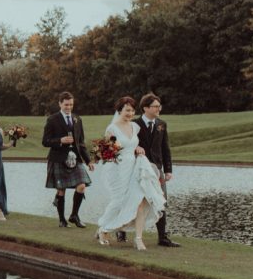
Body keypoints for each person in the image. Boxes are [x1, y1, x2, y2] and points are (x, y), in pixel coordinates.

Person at [94, 97, 167, 250]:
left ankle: (138, 239)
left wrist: (137, 148)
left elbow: (134, 143)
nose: (130, 113)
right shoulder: (112, 128)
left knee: (140, 200)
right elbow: (105, 153)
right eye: (127, 110)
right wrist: (114, 151)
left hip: (134, 168)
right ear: (119, 110)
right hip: (118, 170)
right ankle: (103, 229)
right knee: (119, 201)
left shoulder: (135, 127)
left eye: (132, 110)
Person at [42, 92, 93, 228]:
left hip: (75, 159)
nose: (69, 107)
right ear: (60, 104)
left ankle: (74, 215)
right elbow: (45, 141)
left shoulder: (77, 119)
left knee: (82, 185)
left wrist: (88, 161)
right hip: (58, 158)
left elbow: (81, 143)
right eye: (66, 104)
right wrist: (60, 140)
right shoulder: (52, 119)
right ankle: (61, 220)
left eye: (71, 104)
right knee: (61, 190)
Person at [136, 93, 179, 247]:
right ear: (145, 108)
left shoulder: (162, 124)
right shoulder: (135, 124)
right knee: (136, 202)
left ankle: (162, 237)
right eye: (155, 106)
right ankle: (122, 231)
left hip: (158, 169)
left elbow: (165, 148)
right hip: (140, 169)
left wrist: (168, 170)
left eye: (159, 106)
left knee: (161, 201)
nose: (158, 108)